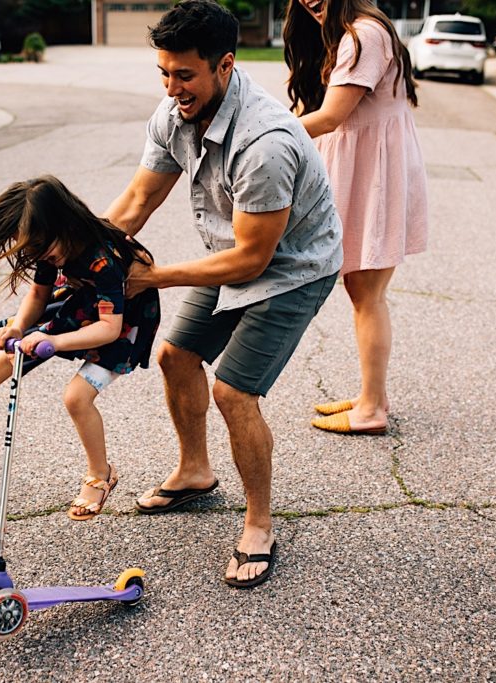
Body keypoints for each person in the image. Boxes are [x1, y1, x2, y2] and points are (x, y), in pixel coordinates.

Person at [104, 0, 342, 588]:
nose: (172, 87)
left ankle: (259, 524)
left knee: (234, 391)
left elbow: (254, 258)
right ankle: (194, 472)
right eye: (164, 72)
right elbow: (136, 204)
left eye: (185, 74)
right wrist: (84, 259)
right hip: (230, 254)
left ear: (226, 65)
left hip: (292, 268)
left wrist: (150, 278)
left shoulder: (265, 141)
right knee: (174, 355)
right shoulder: (172, 114)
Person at [0, 175, 160, 521]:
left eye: (42, 249)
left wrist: (54, 342)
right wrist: (17, 327)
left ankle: (101, 475)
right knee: (19, 347)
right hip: (82, 303)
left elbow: (108, 328)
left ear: (65, 223)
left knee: (76, 397)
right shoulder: (49, 245)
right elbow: (39, 294)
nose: (39, 257)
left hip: (122, 322)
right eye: (31, 251)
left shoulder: (102, 260)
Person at [284, 0, 428, 434]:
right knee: (363, 290)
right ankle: (374, 395)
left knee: (366, 292)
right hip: (370, 170)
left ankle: (370, 410)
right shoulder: (357, 30)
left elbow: (330, 118)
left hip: (373, 175)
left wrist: (261, 132)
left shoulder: (363, 34)